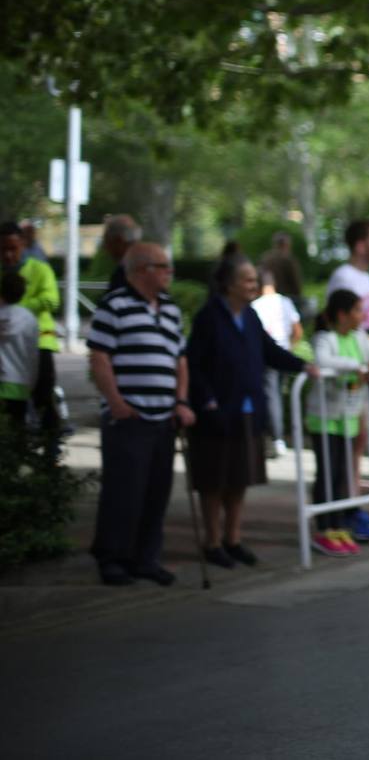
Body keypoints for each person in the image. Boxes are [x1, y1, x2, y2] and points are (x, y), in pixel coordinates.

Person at [187, 253, 312, 568]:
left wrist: (303, 365)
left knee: (240, 478)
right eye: (246, 279)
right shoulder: (209, 317)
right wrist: (206, 401)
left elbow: (270, 352)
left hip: (248, 409)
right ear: (228, 284)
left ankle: (234, 538)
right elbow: (195, 365)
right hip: (217, 411)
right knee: (214, 480)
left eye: (255, 279)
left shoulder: (252, 317)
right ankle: (213, 541)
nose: (253, 285)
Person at [87, 242, 196, 586]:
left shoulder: (170, 309)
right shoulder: (114, 305)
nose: (169, 272)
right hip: (129, 416)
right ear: (141, 270)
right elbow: (99, 357)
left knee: (156, 490)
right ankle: (113, 557)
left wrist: (181, 402)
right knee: (124, 490)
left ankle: (145, 557)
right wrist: (116, 402)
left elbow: (180, 360)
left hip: (163, 416)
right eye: (163, 266)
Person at [305, 290, 369, 556]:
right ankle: (324, 528)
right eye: (356, 310)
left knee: (342, 473)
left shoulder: (358, 338)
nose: (362, 315)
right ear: (342, 315)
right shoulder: (325, 338)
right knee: (327, 473)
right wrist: (355, 366)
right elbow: (323, 360)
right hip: (325, 420)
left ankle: (339, 523)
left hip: (347, 420)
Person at [325, 218, 369, 535]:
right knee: (349, 439)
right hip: (350, 373)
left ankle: (352, 504)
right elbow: (341, 326)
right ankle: (344, 508)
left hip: (361, 368)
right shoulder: (344, 276)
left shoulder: (365, 277)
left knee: (359, 438)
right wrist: (357, 363)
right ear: (360, 244)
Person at [1, 221, 62, 437]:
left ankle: (50, 453)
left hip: (38, 342)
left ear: (23, 244)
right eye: (3, 250)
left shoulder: (40, 269)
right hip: (5, 347)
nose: (8, 255)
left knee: (43, 397)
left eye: (13, 249)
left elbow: (52, 300)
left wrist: (16, 308)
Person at [252, 268, 304, 453]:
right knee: (278, 395)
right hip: (284, 350)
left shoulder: (256, 306)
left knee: (272, 396)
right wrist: (290, 347)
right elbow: (297, 329)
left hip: (270, 356)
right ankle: (277, 436)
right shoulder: (285, 302)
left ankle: (276, 437)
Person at [0, 271, 39, 431]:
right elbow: (33, 355)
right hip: (20, 385)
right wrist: (32, 382)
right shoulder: (29, 319)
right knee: (16, 433)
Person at [260, 231, 305, 304]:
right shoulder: (289, 260)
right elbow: (296, 283)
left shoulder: (266, 258)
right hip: (288, 300)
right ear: (287, 244)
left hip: (268, 298)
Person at [101, 214, 141, 293]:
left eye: (106, 241)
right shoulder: (148, 269)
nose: (104, 247)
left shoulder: (127, 275)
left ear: (118, 241)